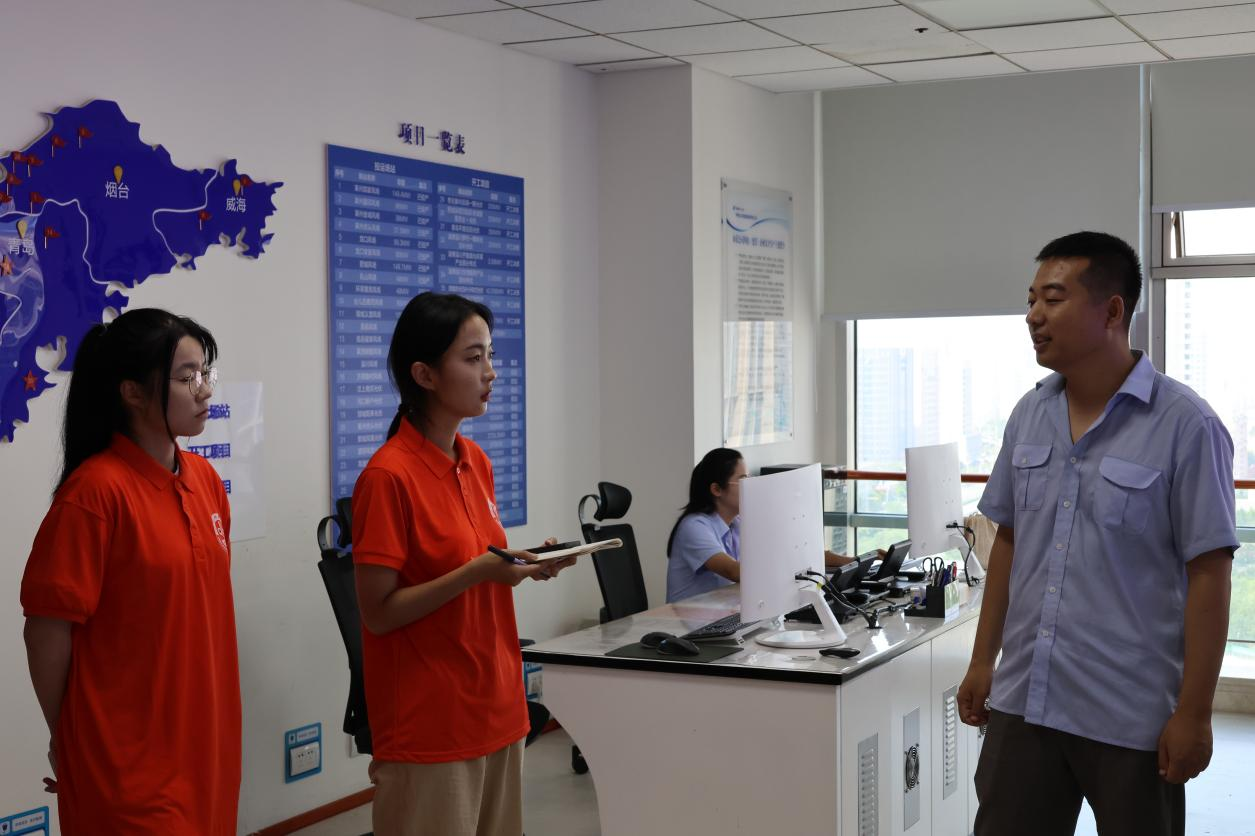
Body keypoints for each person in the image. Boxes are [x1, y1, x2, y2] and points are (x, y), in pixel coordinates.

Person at [957, 232, 1236, 836]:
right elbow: (1009, 543)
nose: (1033, 316)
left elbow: (1209, 575)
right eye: (1031, 299)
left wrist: (1195, 712)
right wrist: (983, 660)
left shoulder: (1187, 426)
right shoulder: (1029, 414)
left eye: (1053, 299)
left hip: (1129, 715)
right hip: (1025, 700)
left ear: (1112, 311)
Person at [352, 291, 576, 836]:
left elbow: (479, 569)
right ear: (425, 375)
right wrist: (479, 571)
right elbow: (379, 613)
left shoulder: (475, 461)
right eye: (474, 359)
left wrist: (525, 566)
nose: (490, 372)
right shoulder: (387, 477)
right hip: (431, 722)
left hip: (497, 703)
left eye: (490, 356)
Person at [21, 309, 239, 833]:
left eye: (205, 373)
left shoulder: (205, 480)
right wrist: (69, 736)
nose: (205, 389)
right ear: (133, 393)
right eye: (187, 377)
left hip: (205, 747)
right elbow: (47, 631)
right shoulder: (95, 494)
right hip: (125, 766)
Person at [665, 449, 857, 603]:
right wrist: (789, 562)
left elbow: (791, 549)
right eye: (743, 480)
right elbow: (734, 572)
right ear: (716, 489)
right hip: (688, 626)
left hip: (724, 613)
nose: (750, 485)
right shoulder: (694, 527)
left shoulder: (738, 523)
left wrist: (853, 561)